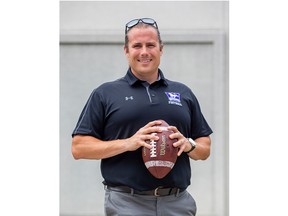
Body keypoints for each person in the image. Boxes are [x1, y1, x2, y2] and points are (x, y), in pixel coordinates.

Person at [72, 18, 213, 216]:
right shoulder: (105, 93)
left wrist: (189, 144)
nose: (144, 52)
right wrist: (128, 143)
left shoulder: (183, 93)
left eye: (151, 45)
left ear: (161, 49)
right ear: (126, 51)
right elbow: (79, 148)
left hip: (178, 203)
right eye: (137, 45)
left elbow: (205, 148)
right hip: (126, 203)